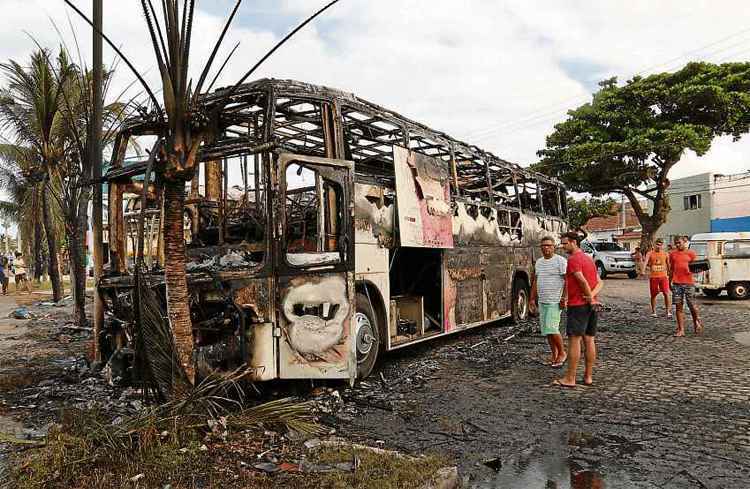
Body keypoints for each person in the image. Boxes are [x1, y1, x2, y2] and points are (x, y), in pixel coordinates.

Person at [552, 231, 603, 388]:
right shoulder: (588, 259)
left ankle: (570, 378)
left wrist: (588, 297)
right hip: (590, 304)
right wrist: (592, 298)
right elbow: (600, 282)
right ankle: (588, 377)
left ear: (574, 242)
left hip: (578, 305)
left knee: (574, 340)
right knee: (589, 339)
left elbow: (581, 281)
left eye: (565, 243)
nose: (563, 246)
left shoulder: (574, 260)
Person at [529, 236, 568, 368]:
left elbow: (567, 280)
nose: (546, 248)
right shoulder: (539, 262)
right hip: (543, 300)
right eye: (543, 246)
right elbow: (535, 281)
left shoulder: (560, 261)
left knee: (552, 328)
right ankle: (554, 355)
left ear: (554, 247)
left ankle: (562, 353)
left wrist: (564, 298)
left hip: (555, 300)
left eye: (549, 245)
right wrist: (532, 299)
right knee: (547, 331)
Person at [669, 236, 703, 336]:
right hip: (676, 283)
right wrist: (669, 281)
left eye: (679, 242)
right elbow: (671, 269)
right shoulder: (672, 254)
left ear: (685, 242)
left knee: (692, 305)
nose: (677, 245)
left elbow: (696, 267)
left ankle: (696, 322)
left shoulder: (691, 253)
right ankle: (681, 330)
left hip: (689, 283)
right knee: (678, 306)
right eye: (676, 243)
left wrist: (697, 271)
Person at [645, 239, 672, 318]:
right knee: (653, 295)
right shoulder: (650, 253)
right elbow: (646, 261)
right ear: (654, 245)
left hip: (663, 277)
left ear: (662, 245)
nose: (659, 246)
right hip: (653, 277)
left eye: (660, 245)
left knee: (666, 293)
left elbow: (668, 264)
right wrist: (643, 270)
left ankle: (668, 311)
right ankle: (654, 311)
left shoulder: (665, 254)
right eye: (657, 244)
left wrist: (670, 274)